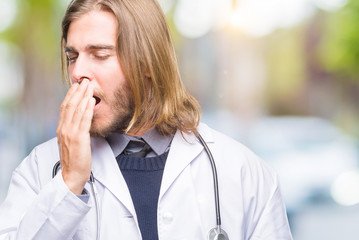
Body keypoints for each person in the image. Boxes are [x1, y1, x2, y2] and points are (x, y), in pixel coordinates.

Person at [0, 0, 293, 239]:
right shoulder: (40, 170)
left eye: (99, 54)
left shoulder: (245, 174)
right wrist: (69, 183)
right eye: (72, 56)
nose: (78, 72)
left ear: (148, 64)